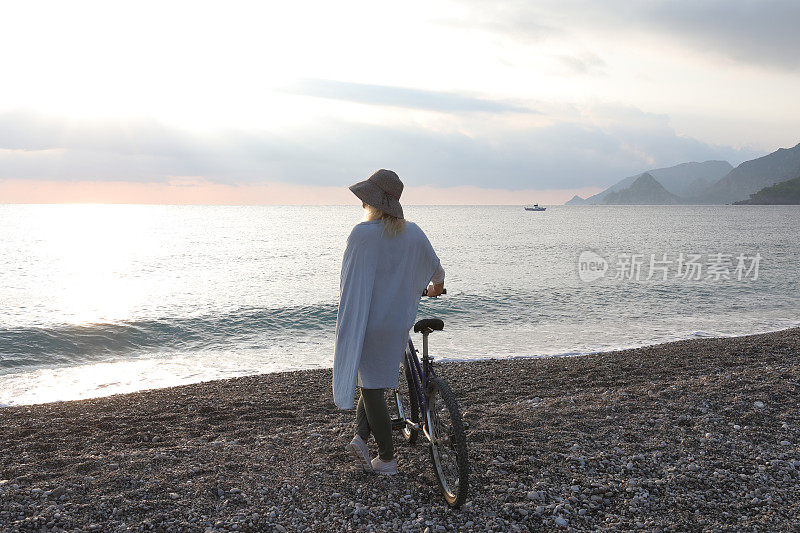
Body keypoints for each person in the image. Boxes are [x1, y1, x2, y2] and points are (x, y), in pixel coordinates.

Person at [333, 169, 445, 475]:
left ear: (374, 202)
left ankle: (386, 459)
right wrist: (433, 290)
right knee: (374, 382)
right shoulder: (414, 233)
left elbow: (350, 281)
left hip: (368, 323)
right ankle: (360, 436)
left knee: (370, 389)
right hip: (397, 324)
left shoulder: (361, 234)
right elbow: (437, 273)